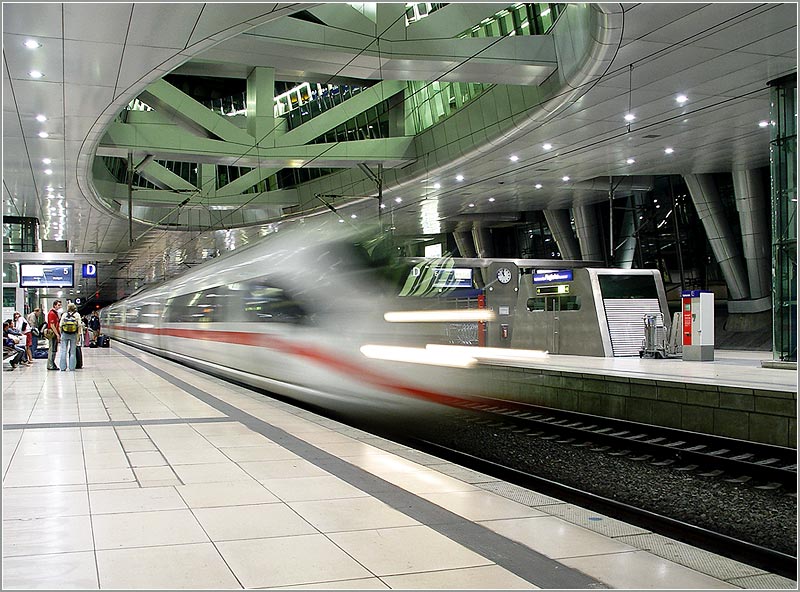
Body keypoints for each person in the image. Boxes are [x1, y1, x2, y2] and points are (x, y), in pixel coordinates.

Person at [58, 303, 81, 372]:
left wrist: (60, 334)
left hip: (65, 334)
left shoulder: (64, 315)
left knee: (63, 351)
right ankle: (72, 368)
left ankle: (62, 367)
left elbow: (60, 325)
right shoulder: (77, 315)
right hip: (73, 334)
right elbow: (79, 326)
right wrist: (78, 336)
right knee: (72, 352)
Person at [46, 300, 62, 370]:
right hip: (52, 333)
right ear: (54, 305)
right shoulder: (52, 313)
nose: (60, 306)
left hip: (54, 333)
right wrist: (57, 334)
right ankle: (50, 364)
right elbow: (52, 325)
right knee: (52, 349)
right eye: (58, 305)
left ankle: (52, 363)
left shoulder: (55, 313)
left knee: (54, 349)